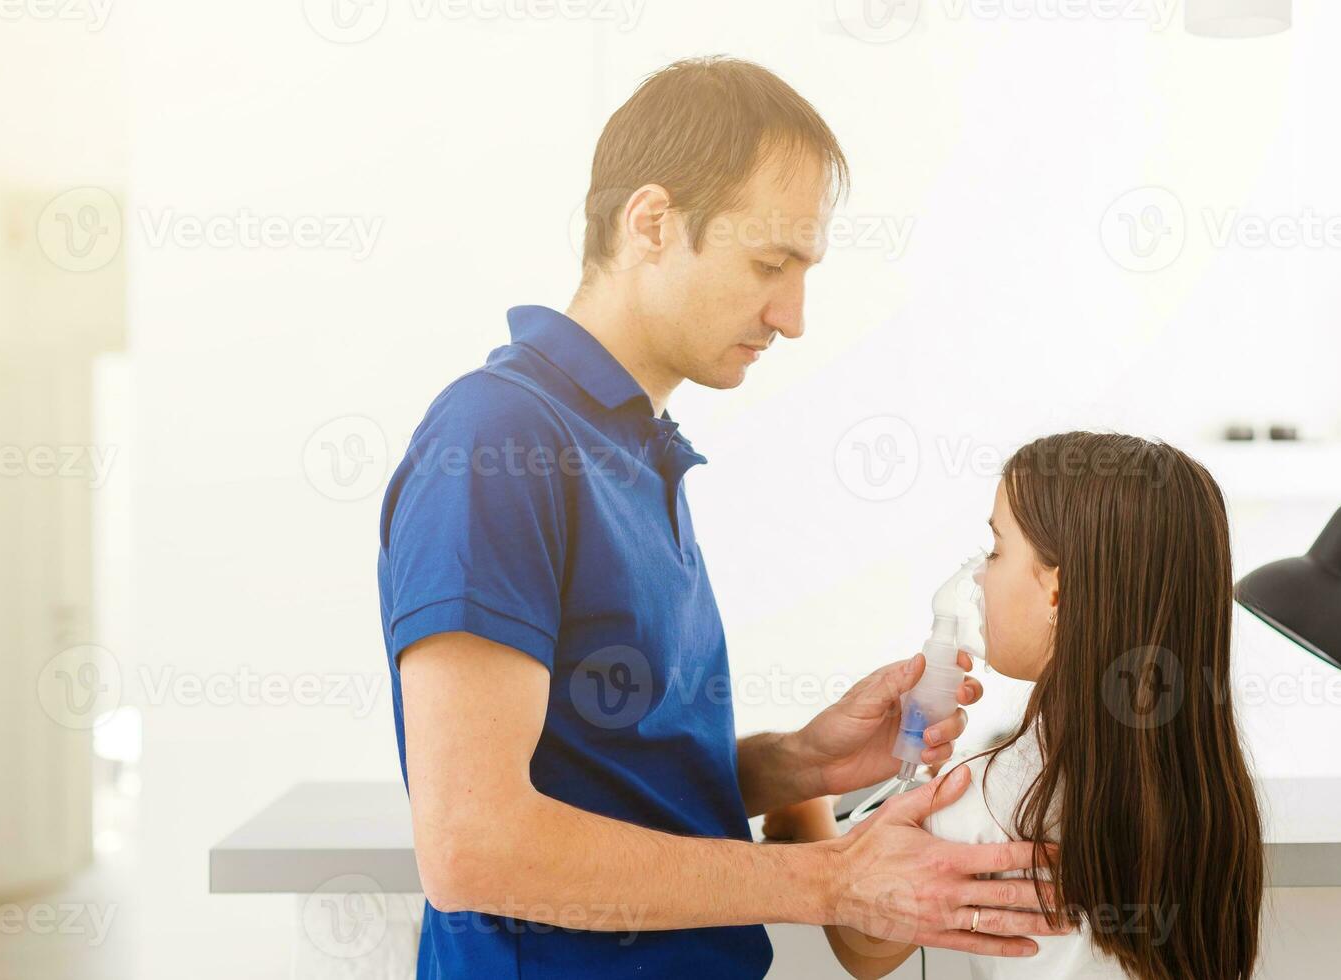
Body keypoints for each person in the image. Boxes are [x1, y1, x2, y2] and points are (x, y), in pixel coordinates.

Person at [375, 57, 1065, 979]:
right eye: (769, 265)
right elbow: (474, 849)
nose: (793, 315)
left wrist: (799, 764)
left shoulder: (637, 449)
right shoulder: (498, 440)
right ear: (651, 222)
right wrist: (831, 882)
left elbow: (603, 780)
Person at [766, 432, 1267, 980]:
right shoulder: (1213, 787)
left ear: (1058, 591)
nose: (979, 575)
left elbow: (866, 947)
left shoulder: (986, 793)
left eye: (997, 550)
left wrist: (805, 811)